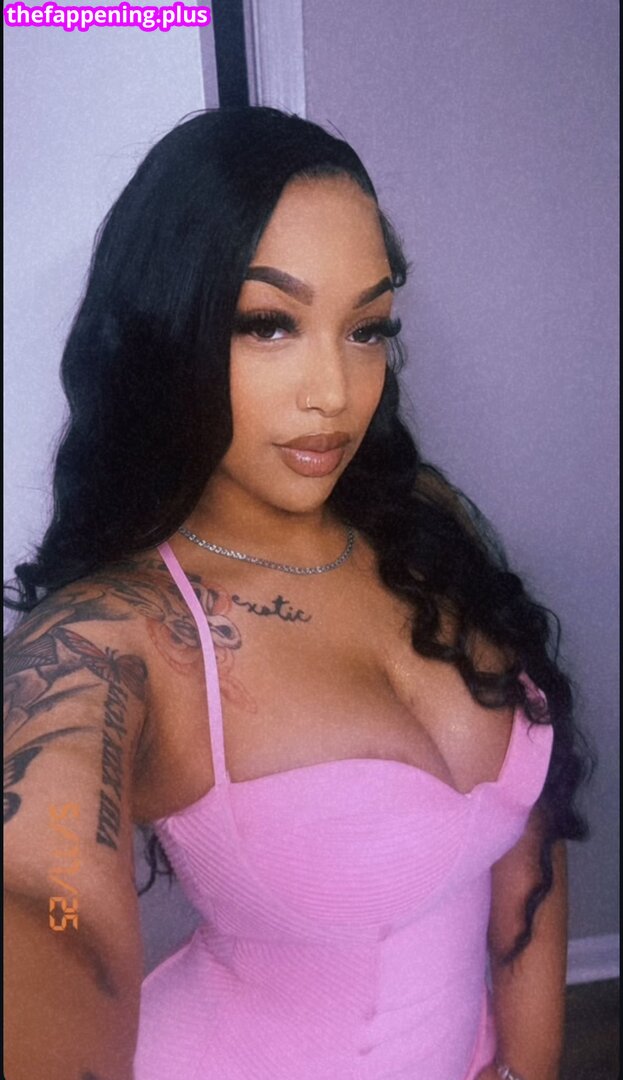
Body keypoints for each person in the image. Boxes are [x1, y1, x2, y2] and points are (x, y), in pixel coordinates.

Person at [4, 106, 592, 1080]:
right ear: (168, 333)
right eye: (268, 324)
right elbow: (49, 903)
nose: (334, 391)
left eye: (366, 328)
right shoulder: (117, 634)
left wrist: (526, 1066)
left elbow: (529, 841)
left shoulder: (419, 518)